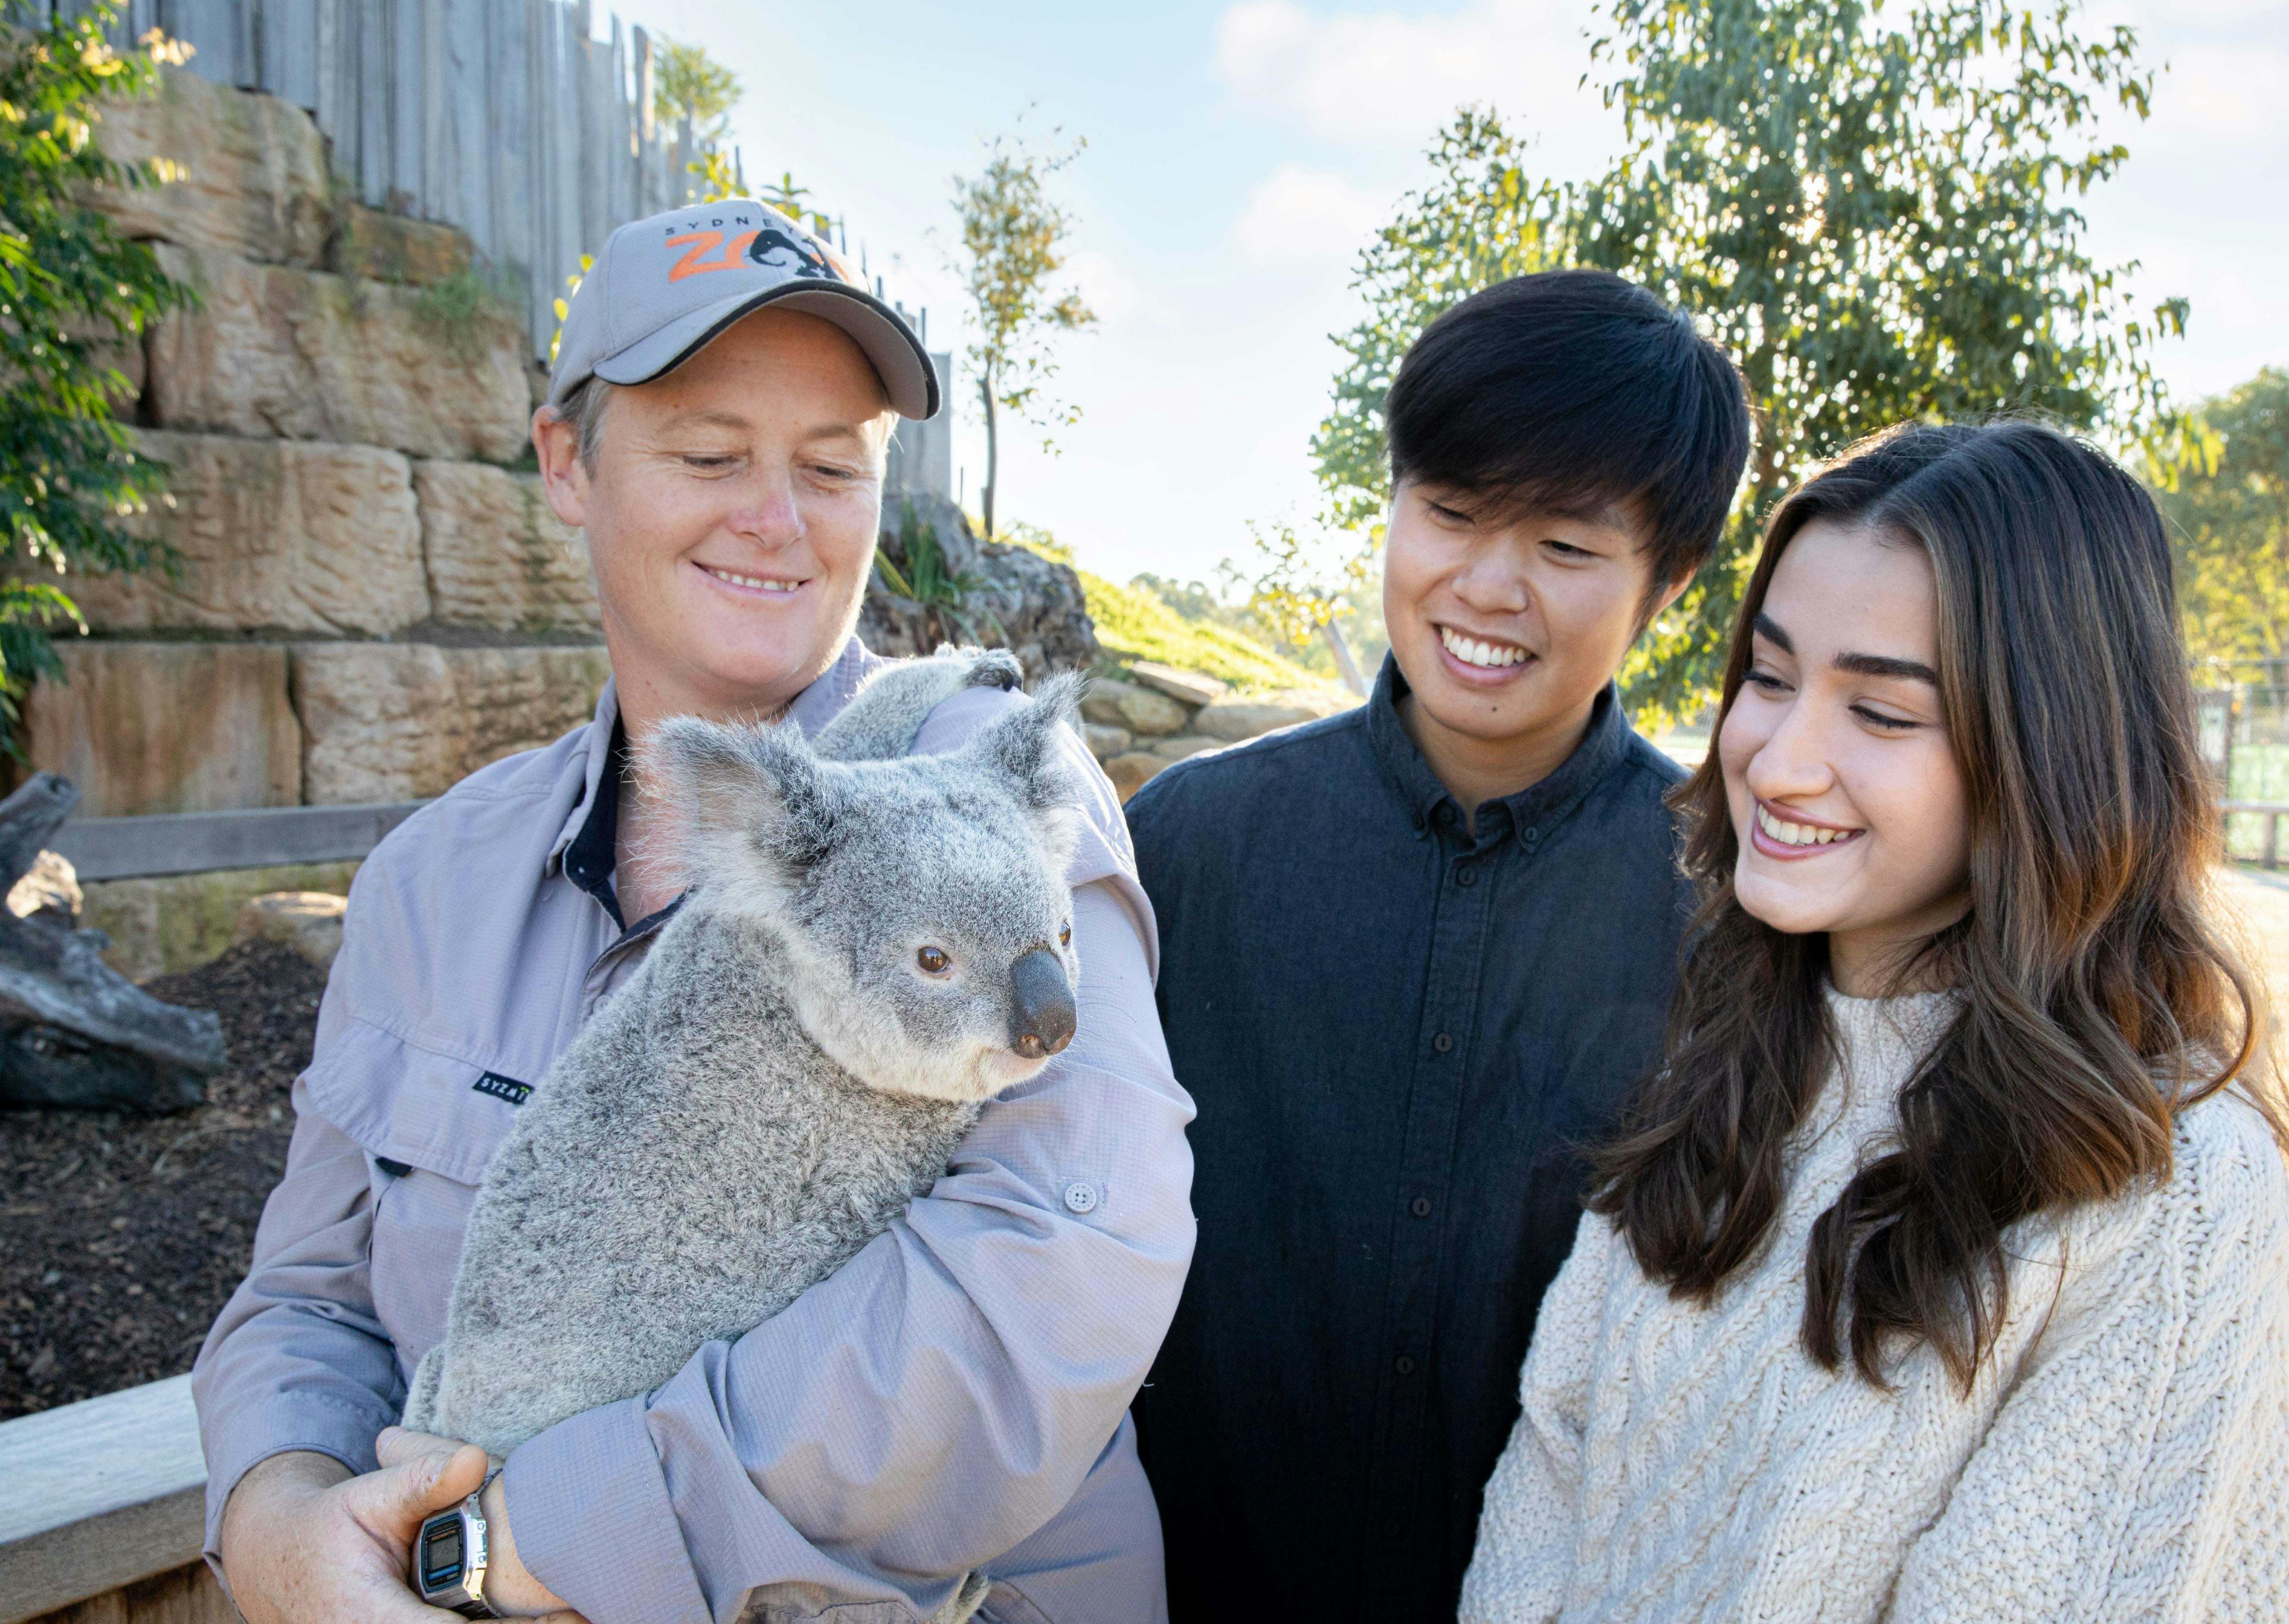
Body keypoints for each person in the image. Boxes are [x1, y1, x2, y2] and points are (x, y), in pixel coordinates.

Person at [191, 199, 1196, 1624]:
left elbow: (1065, 1262)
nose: (775, 521)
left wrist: (537, 1539)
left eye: (830, 468)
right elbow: (306, 1298)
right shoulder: (432, 880)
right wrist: (285, 1523)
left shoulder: (980, 790)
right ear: (566, 463)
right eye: (710, 454)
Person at [1462, 420, 2289, 1623]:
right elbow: (1545, 1493)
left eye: (1881, 713)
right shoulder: (1729, 1048)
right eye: (1766, 677)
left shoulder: (2167, 1188)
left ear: (2047, 758)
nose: (1775, 758)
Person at [1125, 270, 1749, 1619]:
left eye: (1566, 549)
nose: (1486, 585)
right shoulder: (1179, 848)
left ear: (1671, 585)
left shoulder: (1733, 910)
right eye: (1450, 513)